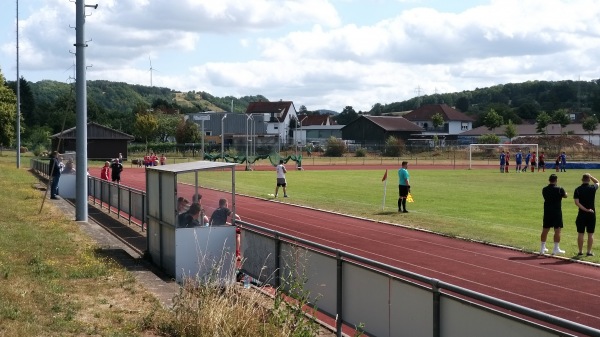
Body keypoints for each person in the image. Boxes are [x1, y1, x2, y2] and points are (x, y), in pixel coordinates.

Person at [540, 174, 567, 255]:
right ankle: (556, 248)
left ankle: (542, 248)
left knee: (545, 229)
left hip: (547, 211)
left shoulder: (544, 189)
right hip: (556, 212)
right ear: (556, 180)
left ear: (549, 180)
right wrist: (565, 192)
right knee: (557, 230)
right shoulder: (559, 189)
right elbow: (565, 196)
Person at [574, 173, 599, 257]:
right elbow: (597, 182)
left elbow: (577, 203)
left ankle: (580, 251)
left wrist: (585, 209)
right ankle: (589, 252)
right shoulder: (592, 188)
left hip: (581, 214)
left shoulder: (577, 189)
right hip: (591, 213)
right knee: (590, 234)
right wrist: (591, 176)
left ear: (582, 179)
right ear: (588, 180)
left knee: (580, 233)